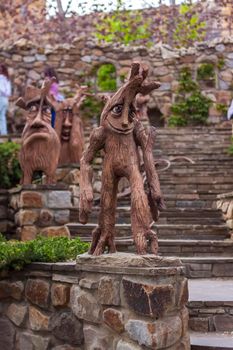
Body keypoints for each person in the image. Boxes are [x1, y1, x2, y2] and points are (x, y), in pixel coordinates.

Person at [0, 64, 11, 135]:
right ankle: (4, 133)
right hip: (5, 99)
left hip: (1, 98)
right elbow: (9, 92)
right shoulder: (7, 78)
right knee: (2, 116)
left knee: (2, 116)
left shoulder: (1, 78)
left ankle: (3, 133)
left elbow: (1, 89)